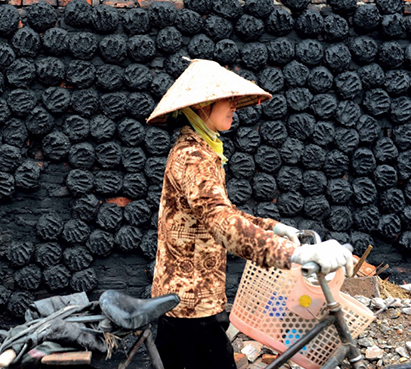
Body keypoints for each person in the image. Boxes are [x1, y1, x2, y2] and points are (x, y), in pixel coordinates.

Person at [146, 59, 355, 369]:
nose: (234, 107)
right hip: (191, 302)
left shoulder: (200, 149)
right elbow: (222, 223)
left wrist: (274, 227)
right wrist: (295, 254)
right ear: (204, 105)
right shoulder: (194, 156)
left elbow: (221, 212)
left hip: (186, 297)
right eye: (226, 100)